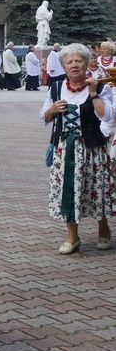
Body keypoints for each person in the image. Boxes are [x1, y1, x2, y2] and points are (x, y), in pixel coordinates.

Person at [39, 43, 114, 254]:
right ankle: (73, 236)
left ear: (86, 64)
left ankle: (103, 229)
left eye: (78, 61)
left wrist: (93, 94)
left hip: (92, 148)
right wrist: (52, 109)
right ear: (63, 66)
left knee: (96, 189)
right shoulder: (55, 88)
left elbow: (108, 115)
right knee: (68, 191)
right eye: (69, 62)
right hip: (64, 149)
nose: (74, 65)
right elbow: (43, 115)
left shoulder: (100, 87)